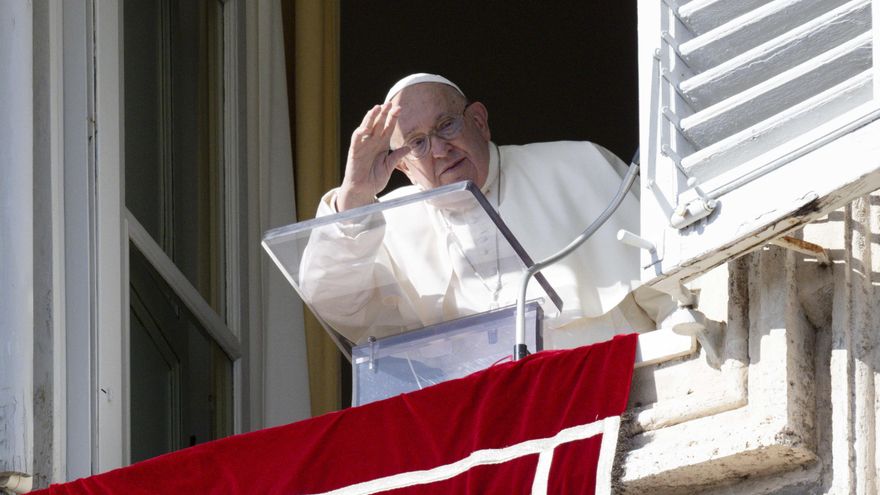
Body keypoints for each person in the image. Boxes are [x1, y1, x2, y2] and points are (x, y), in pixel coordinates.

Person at [300, 73, 669, 348]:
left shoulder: (579, 165)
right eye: (417, 143)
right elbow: (337, 304)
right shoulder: (388, 221)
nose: (440, 150)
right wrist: (355, 196)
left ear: (478, 121)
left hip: (612, 389)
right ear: (402, 167)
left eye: (446, 125)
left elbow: (670, 287)